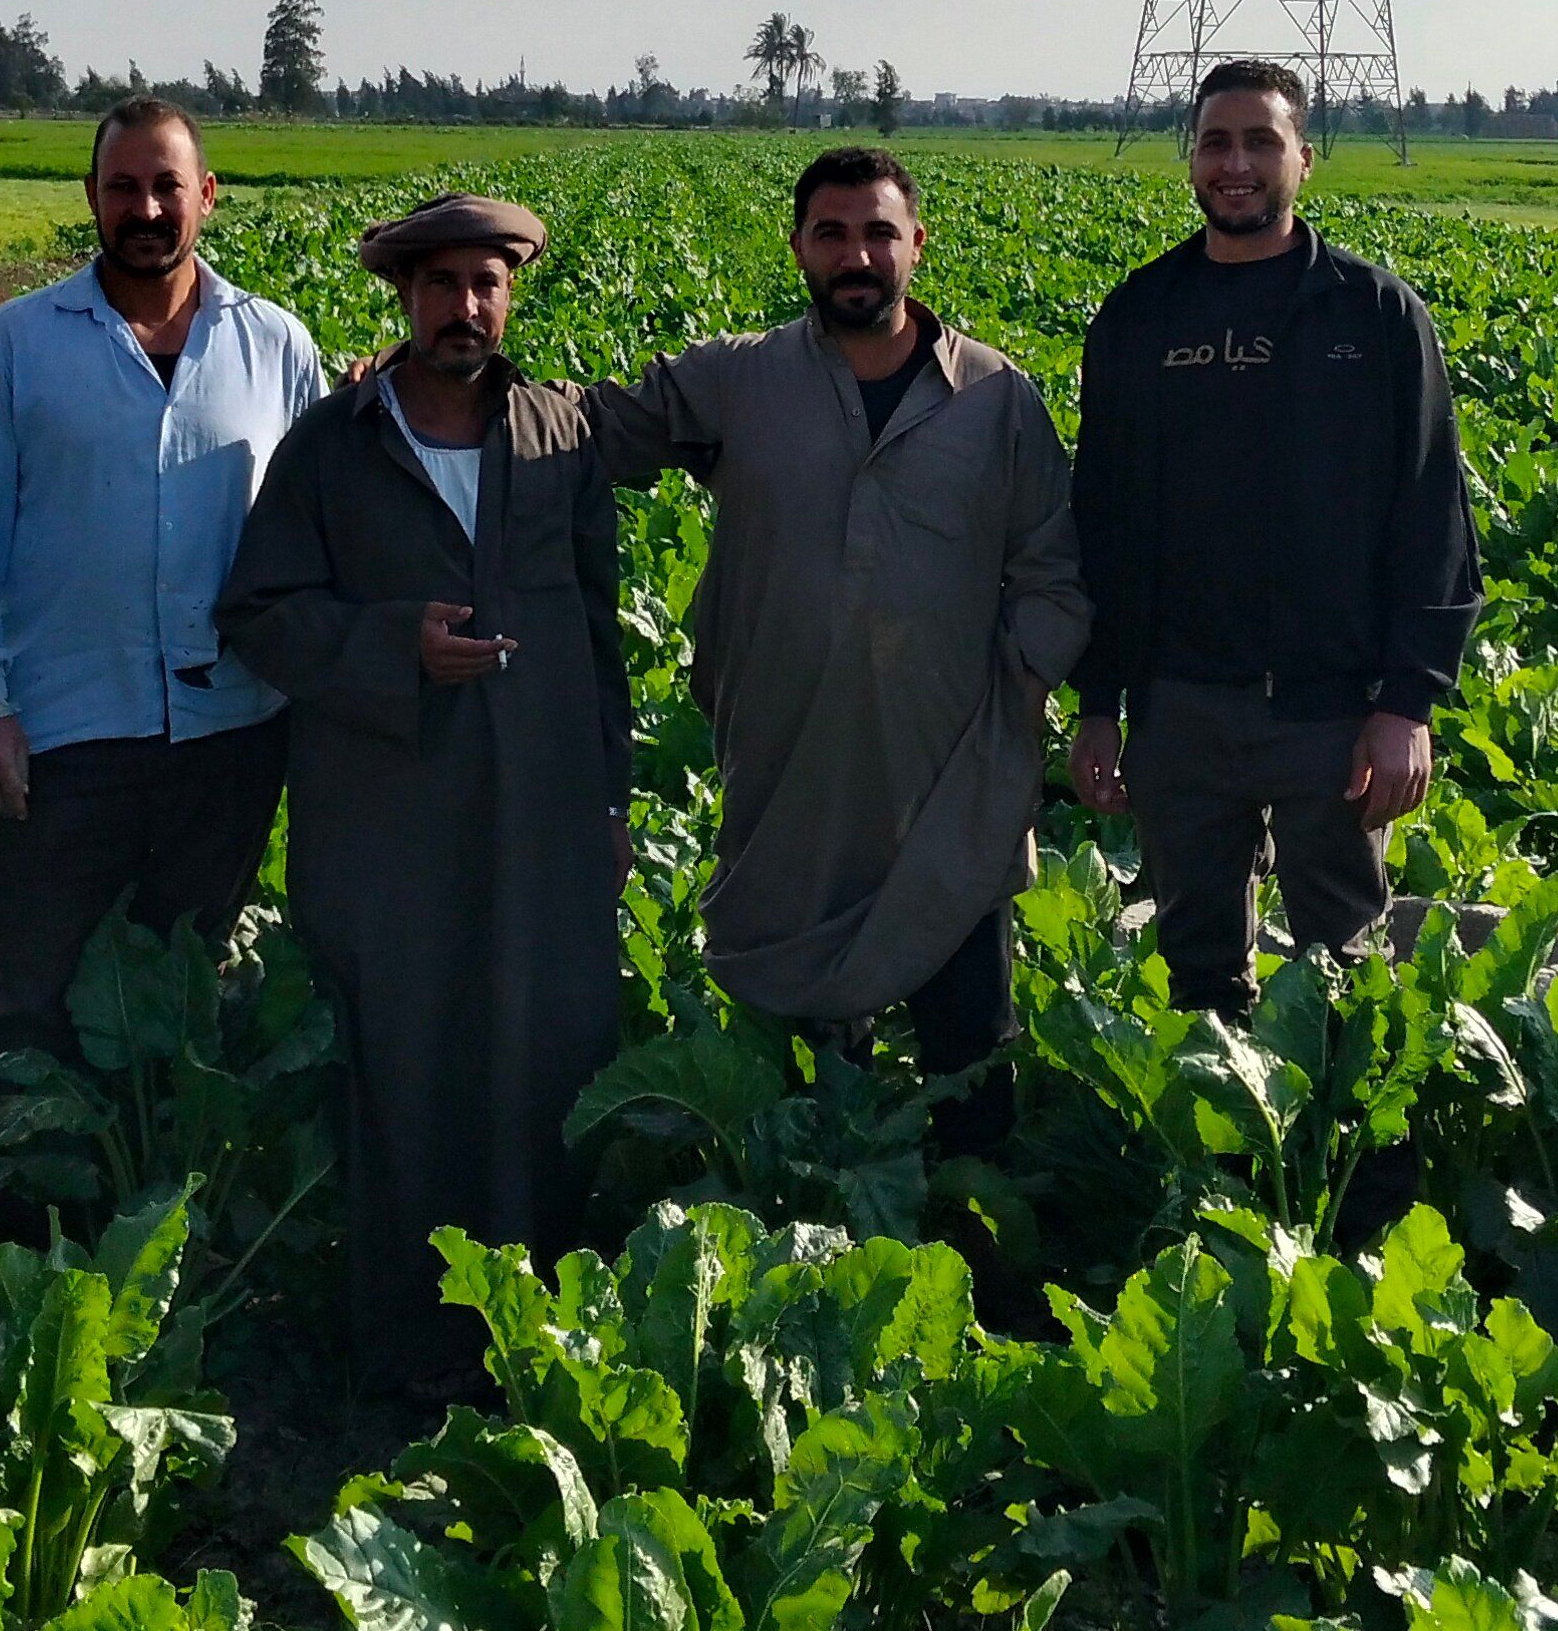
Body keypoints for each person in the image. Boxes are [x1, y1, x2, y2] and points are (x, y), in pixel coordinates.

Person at [579, 147, 1087, 1155]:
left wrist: (1017, 693)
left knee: (968, 1031)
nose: (857, 254)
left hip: (948, 766)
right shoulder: (738, 379)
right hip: (789, 756)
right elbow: (589, 427)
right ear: (800, 247)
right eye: (832, 234)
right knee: (807, 1040)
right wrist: (438, 389)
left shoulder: (996, 398)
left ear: (917, 245)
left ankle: (976, 1243)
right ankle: (810, 1233)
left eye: (878, 232)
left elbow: (1054, 564)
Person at [214, 194, 628, 1394]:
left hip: (541, 809)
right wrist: (393, 643)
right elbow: (257, 614)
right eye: (441, 285)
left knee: (543, 1049)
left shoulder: (559, 435)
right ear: (403, 298)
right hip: (388, 818)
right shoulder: (335, 445)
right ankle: (412, 1347)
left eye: (486, 285)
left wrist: (608, 799)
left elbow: (597, 630)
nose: (466, 308)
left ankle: (536, 1332)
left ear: (512, 296)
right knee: (408, 1057)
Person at [1066, 59, 1482, 1013]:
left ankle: (1357, 1166)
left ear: (1305, 158)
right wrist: (1098, 699)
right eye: (1216, 142)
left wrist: (1408, 703)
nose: (1237, 164)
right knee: (1198, 972)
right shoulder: (1141, 316)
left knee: (1345, 974)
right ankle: (1229, 1160)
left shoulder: (1373, 315)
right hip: (1179, 709)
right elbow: (1105, 519)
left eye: (1261, 141)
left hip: (1332, 712)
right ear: (1192, 161)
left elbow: (1431, 516)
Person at [0, 98, 322, 1071]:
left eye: (165, 187)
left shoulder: (273, 346)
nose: (145, 208)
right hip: (63, 732)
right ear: (92, 200)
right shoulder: (18, 346)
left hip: (228, 735)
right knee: (30, 994)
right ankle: (27, 1207)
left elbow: (319, 534)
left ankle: (151, 1192)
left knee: (176, 998)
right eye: (123, 188)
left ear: (208, 197)